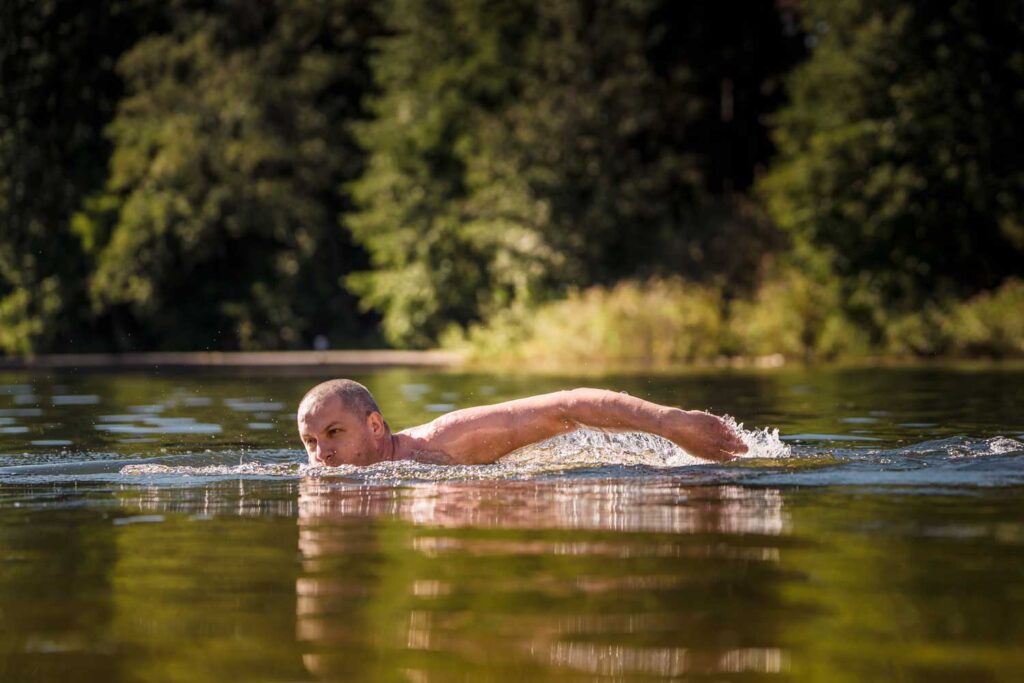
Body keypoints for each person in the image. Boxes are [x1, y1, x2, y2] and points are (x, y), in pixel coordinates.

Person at [297, 379, 748, 467]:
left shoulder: (445, 442)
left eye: (334, 433)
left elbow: (566, 406)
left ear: (376, 426)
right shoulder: (320, 492)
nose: (322, 453)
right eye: (310, 442)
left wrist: (670, 423)